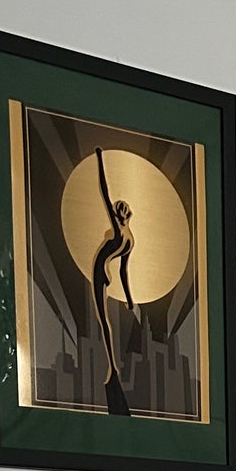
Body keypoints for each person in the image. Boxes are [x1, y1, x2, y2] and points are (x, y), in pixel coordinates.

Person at [91, 149, 136, 416]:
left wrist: (99, 160)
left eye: (118, 208)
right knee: (104, 321)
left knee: (103, 320)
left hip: (99, 271)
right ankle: (112, 367)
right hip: (107, 272)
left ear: (121, 214)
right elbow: (123, 273)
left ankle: (112, 367)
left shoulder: (119, 230)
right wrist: (129, 299)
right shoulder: (130, 239)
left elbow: (105, 192)